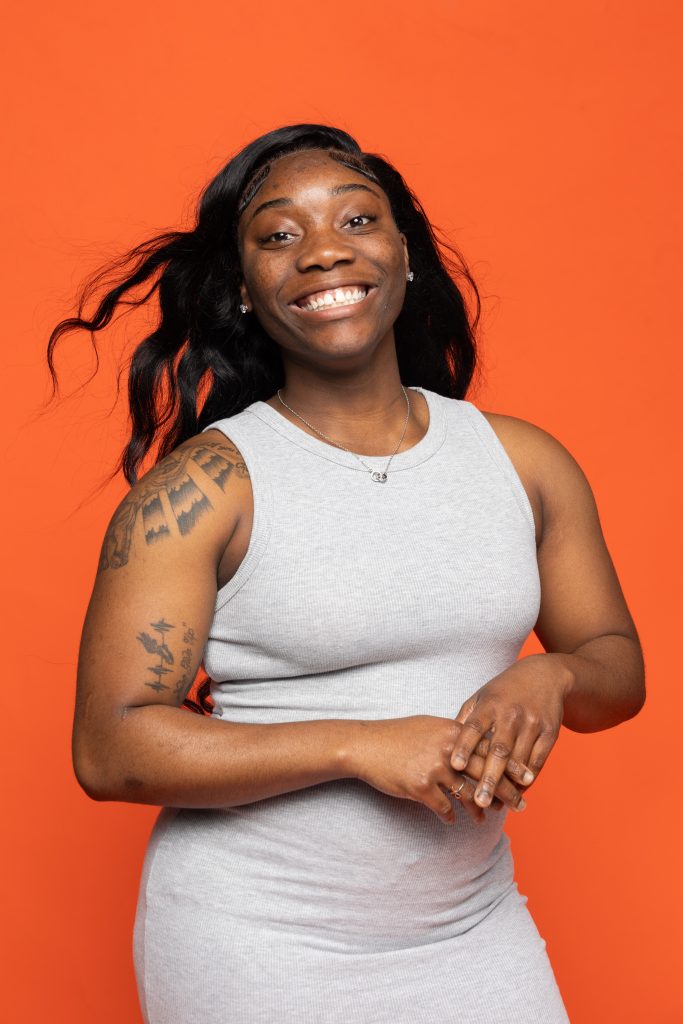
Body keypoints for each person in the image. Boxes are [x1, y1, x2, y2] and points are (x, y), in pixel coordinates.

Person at [48, 124, 645, 1023]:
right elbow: (108, 746)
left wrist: (549, 676)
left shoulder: (520, 463)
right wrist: (358, 744)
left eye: (356, 219)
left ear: (405, 257)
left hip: (472, 930)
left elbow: (614, 664)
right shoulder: (205, 489)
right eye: (278, 236)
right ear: (245, 292)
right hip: (258, 942)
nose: (323, 250)